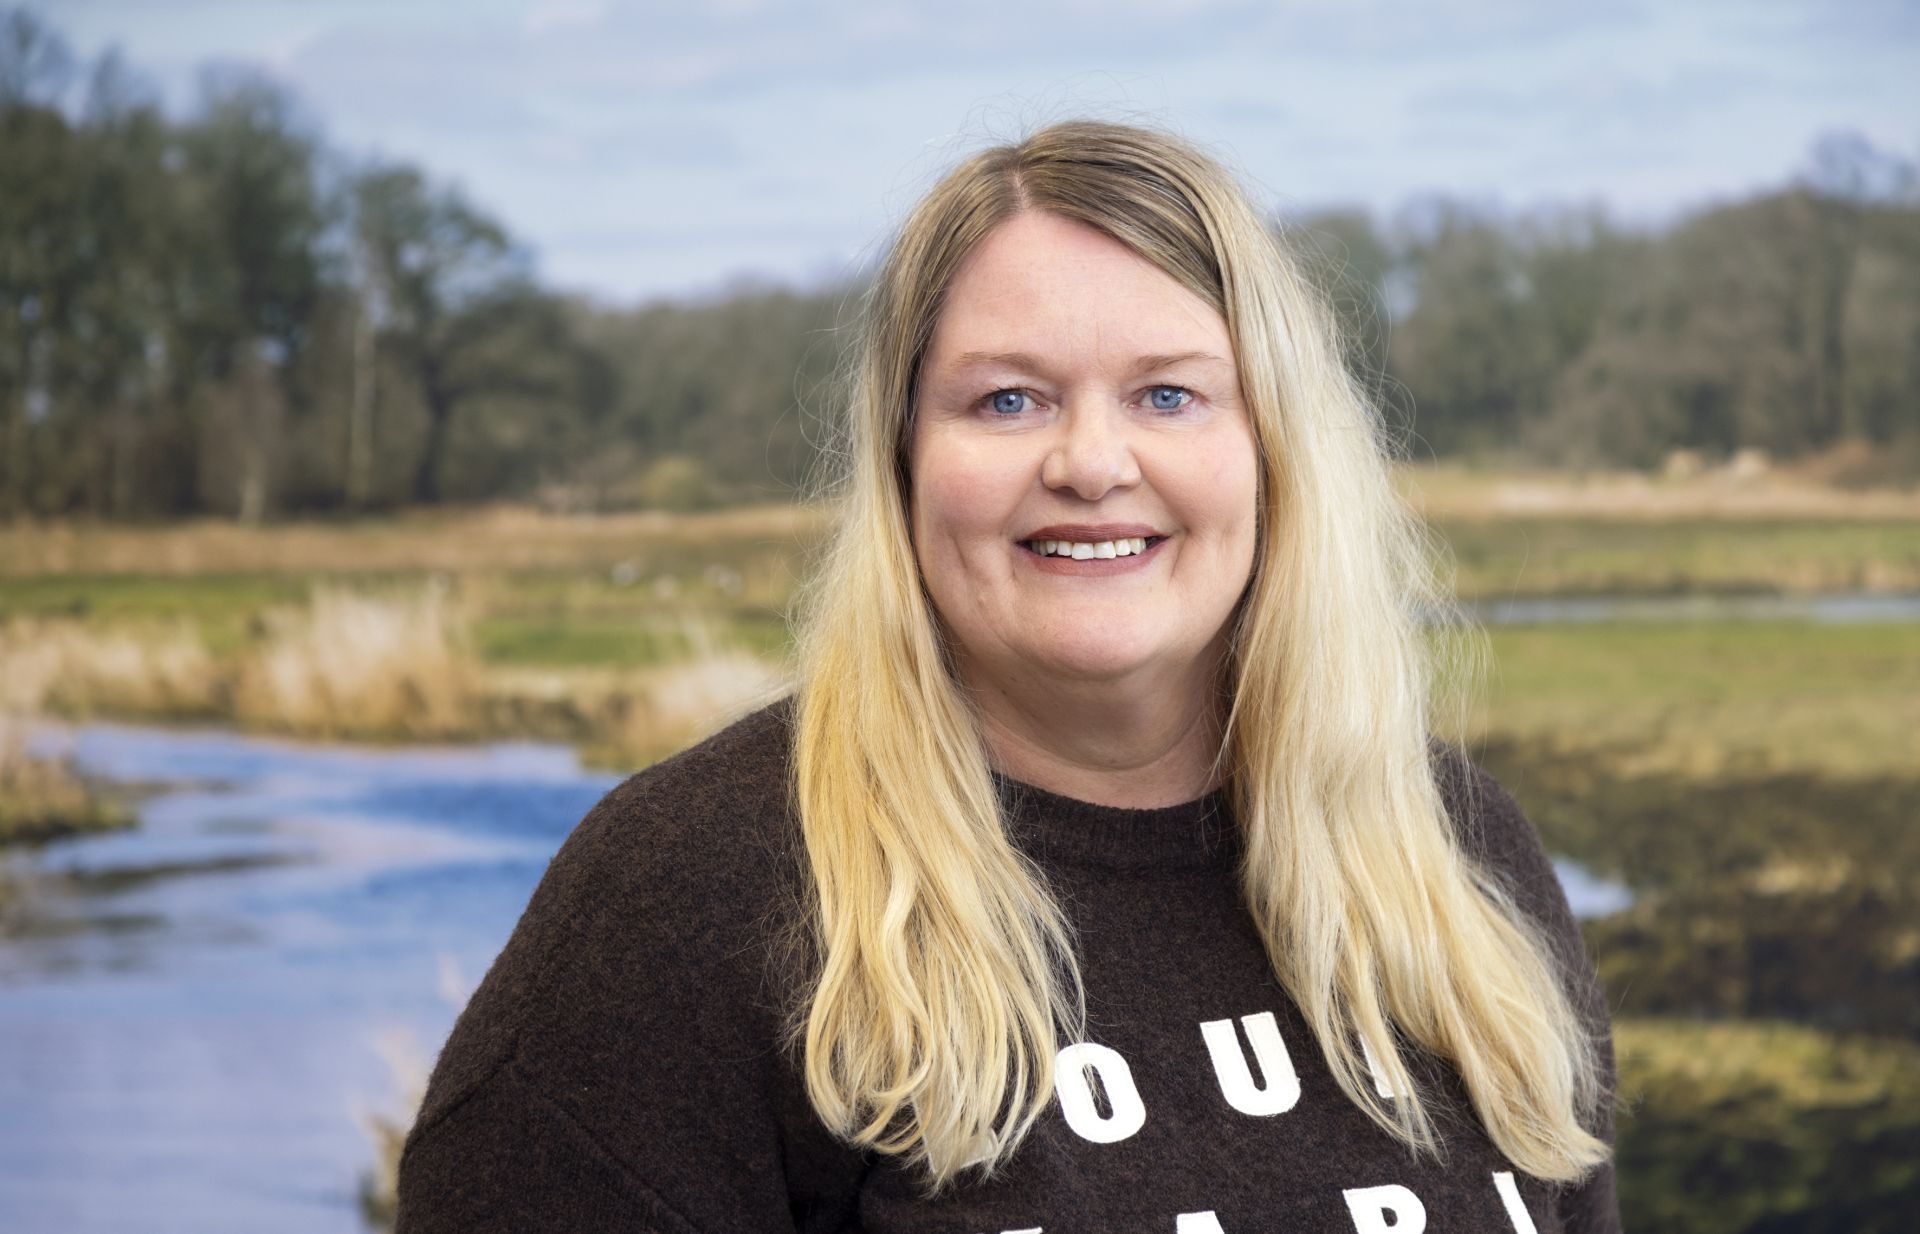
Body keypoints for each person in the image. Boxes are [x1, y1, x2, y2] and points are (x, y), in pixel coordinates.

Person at [394, 119, 1620, 1233]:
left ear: (1275, 451)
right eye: (1008, 398)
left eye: (1170, 393)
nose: (1091, 461)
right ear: (906, 462)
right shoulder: (691, 898)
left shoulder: (1457, 858)